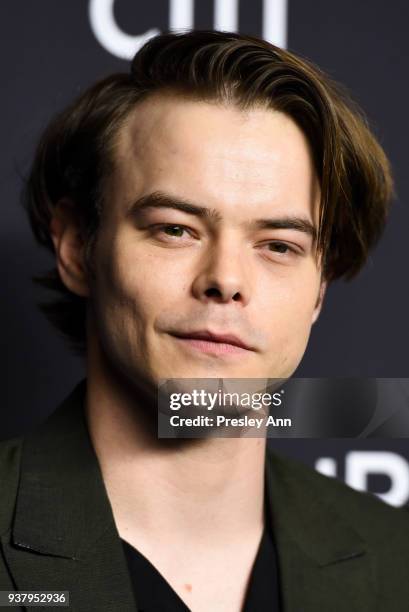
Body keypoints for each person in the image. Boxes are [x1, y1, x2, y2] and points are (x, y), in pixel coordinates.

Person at [0, 30, 408, 611]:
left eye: (279, 245)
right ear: (76, 247)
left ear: (320, 287)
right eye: (175, 228)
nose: (227, 279)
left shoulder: (398, 560)